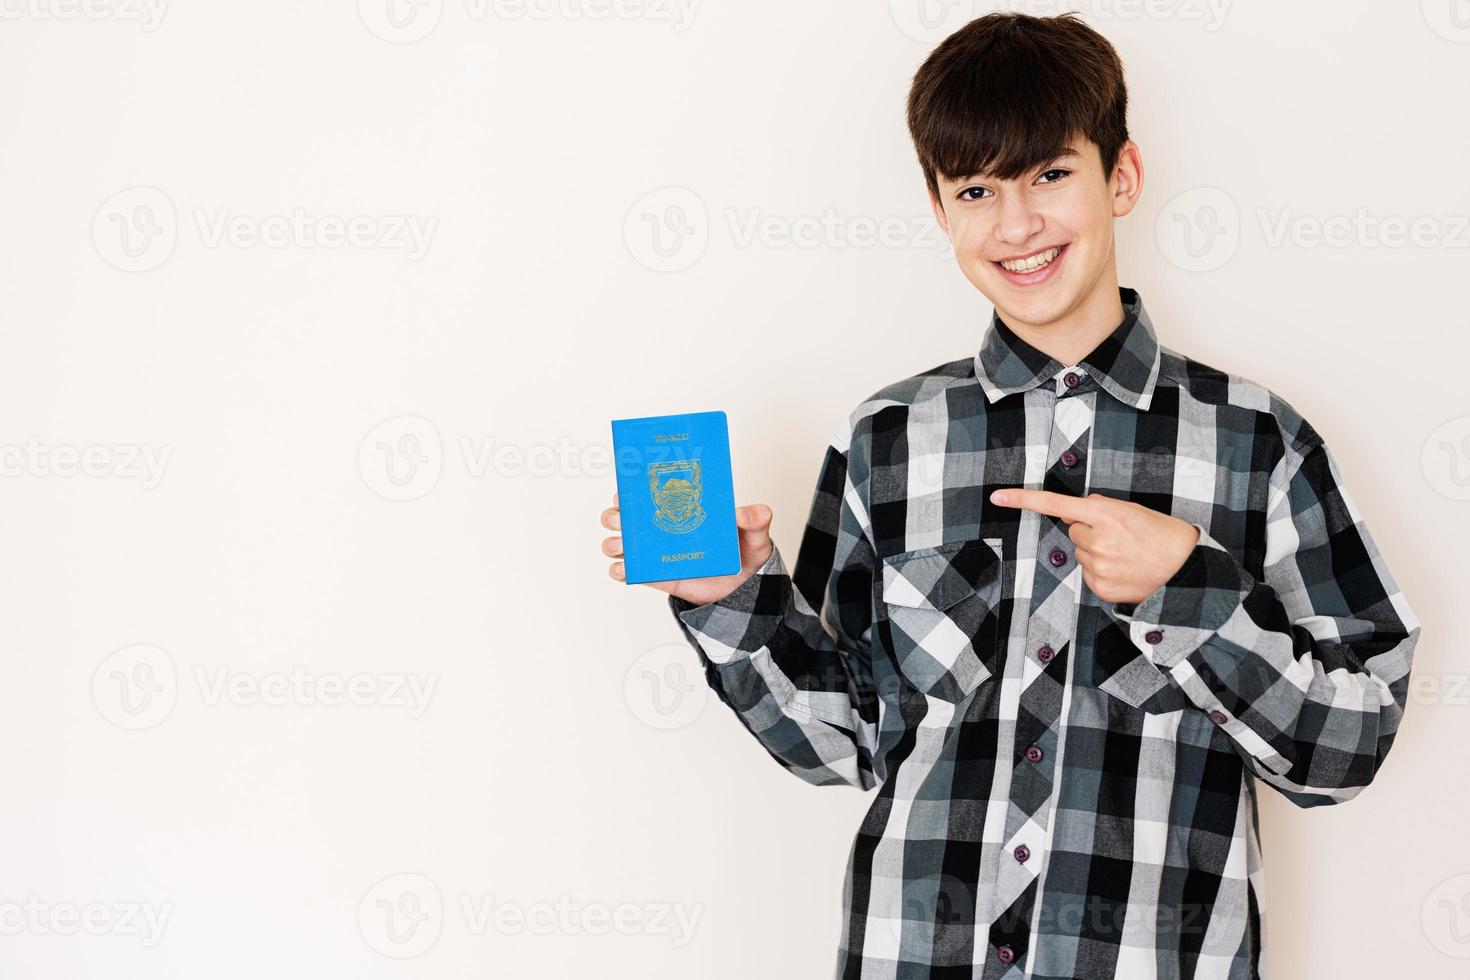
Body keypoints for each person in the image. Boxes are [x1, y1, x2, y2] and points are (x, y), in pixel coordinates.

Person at [599, 11, 1420, 978]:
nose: (1016, 224)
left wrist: (1187, 590)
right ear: (940, 210)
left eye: (1050, 175)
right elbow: (844, 742)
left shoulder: (1258, 442)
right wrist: (734, 603)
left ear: (1122, 177)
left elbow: (1349, 747)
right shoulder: (885, 440)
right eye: (977, 188)